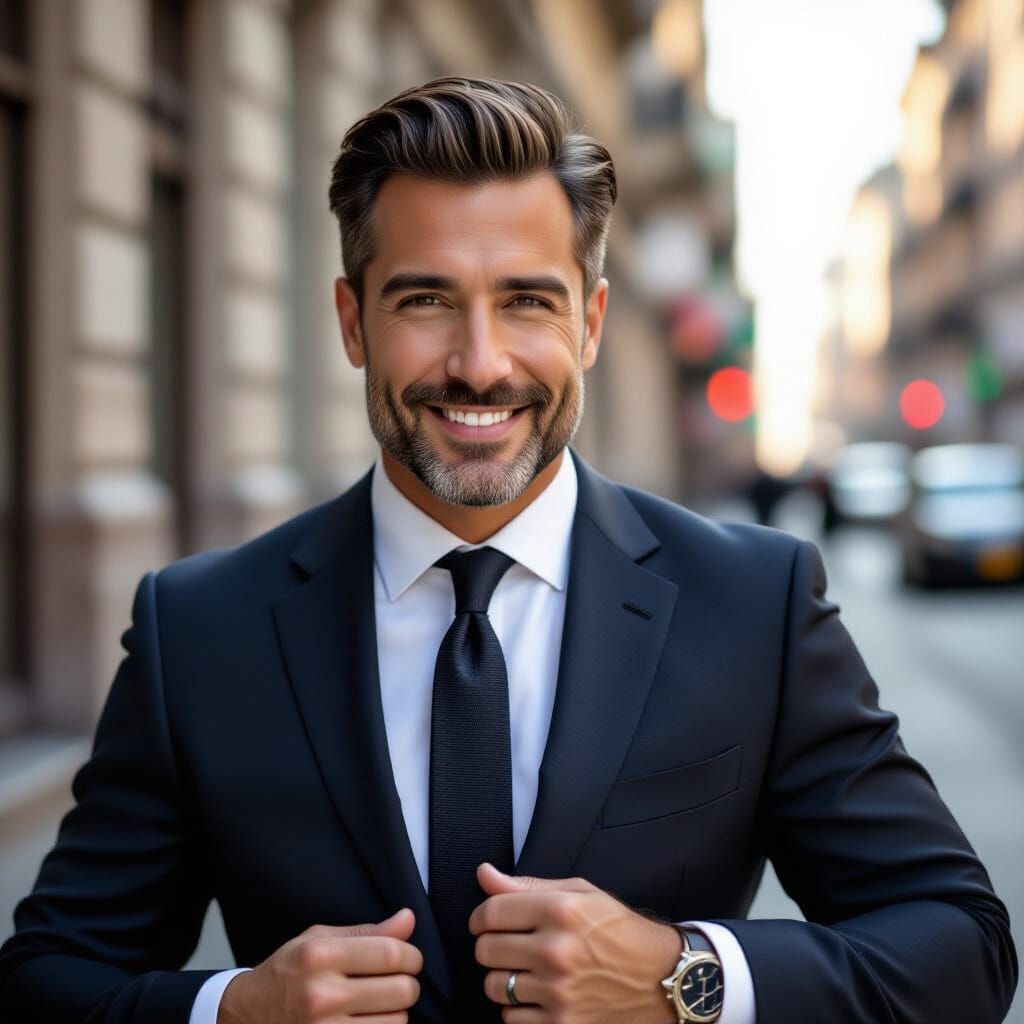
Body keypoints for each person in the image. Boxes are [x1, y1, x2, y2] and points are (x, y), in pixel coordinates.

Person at [0, 76, 1016, 1024]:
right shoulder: (200, 627)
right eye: (425, 299)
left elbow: (960, 945)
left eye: (527, 300)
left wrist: (682, 977)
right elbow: (47, 973)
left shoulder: (755, 600)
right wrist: (230, 1008)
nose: (478, 365)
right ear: (353, 322)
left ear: (591, 322)